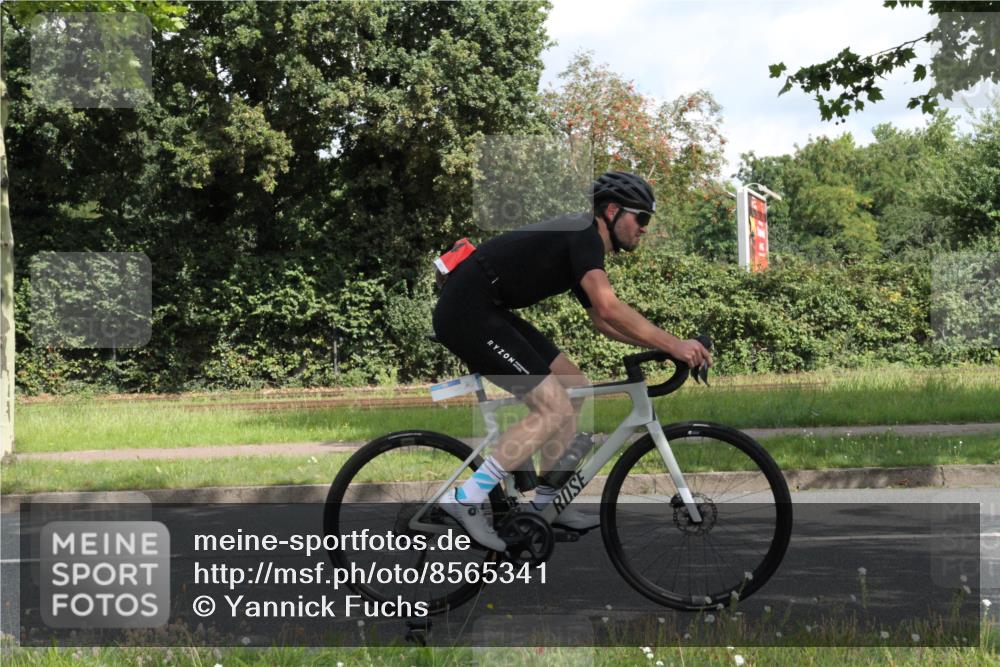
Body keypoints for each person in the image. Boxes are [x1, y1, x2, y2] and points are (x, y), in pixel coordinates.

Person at [432, 171, 713, 551]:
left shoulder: (583, 240)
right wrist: (675, 344)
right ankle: (465, 499)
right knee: (552, 407)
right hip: (468, 312)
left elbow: (602, 319)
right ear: (612, 211)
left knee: (573, 387)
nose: (644, 229)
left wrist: (665, 347)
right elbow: (608, 306)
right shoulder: (583, 232)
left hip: (487, 308)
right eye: (641, 218)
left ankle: (546, 504)